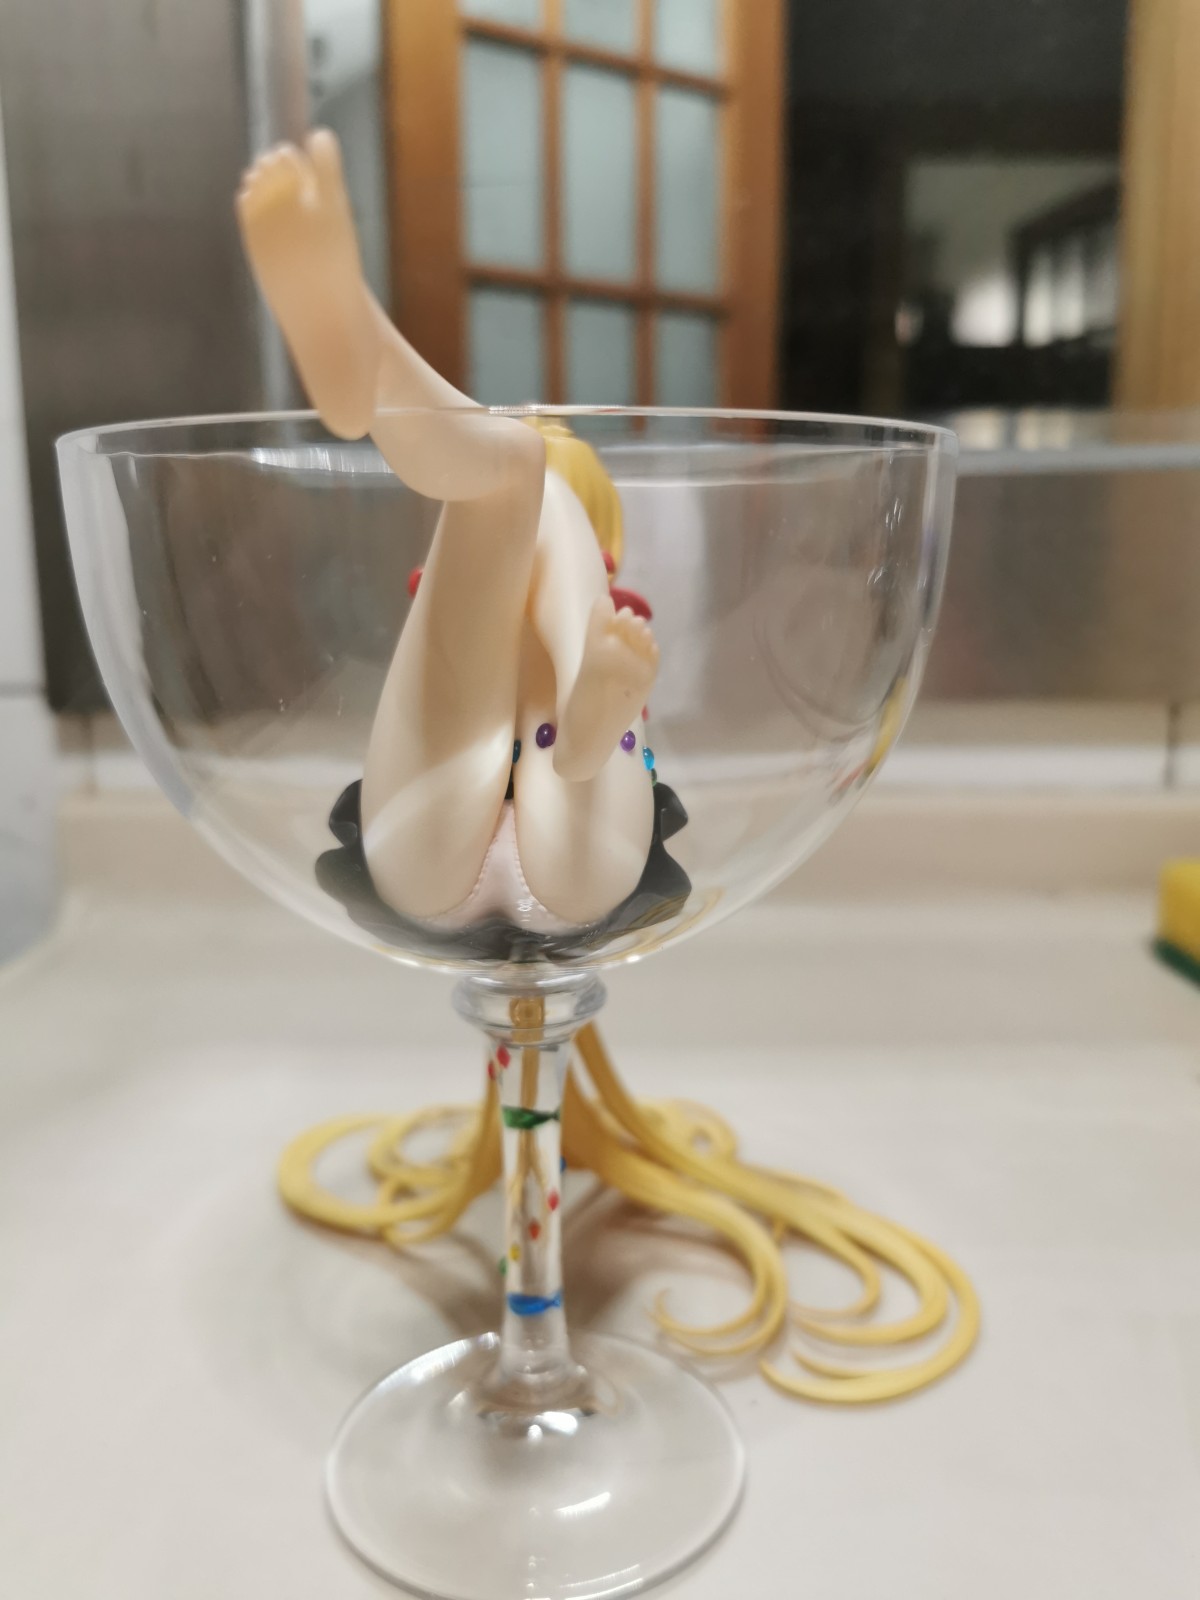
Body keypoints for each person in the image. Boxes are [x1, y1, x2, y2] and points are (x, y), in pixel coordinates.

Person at [237, 131, 674, 936]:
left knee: (516, 471)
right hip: (582, 855)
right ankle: (363, 348)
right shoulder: (575, 574)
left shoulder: (504, 541)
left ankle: (369, 353)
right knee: (521, 479)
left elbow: (512, 494)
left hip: (421, 847)